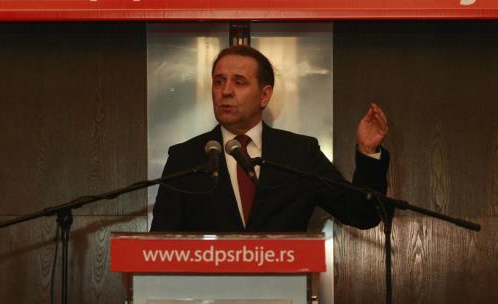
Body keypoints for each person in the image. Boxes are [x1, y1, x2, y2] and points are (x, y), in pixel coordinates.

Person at [150, 45, 389, 232]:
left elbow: (362, 214)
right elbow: (161, 241)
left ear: (265, 95)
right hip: (206, 282)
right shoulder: (185, 158)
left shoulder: (300, 154)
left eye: (239, 82)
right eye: (219, 81)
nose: (226, 91)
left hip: (286, 282)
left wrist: (369, 152)